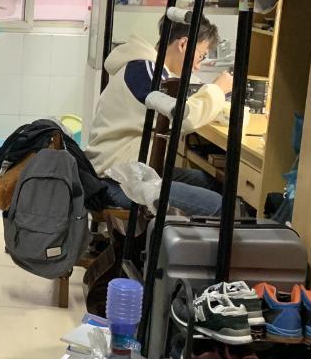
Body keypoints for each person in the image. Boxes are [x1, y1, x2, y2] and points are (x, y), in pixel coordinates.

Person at [86, 15, 234, 216]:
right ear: (183, 44)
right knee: (218, 205)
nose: (198, 66)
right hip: (118, 181)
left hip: (132, 171)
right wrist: (218, 90)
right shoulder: (147, 72)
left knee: (208, 182)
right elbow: (181, 118)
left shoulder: (146, 68)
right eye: (201, 56)